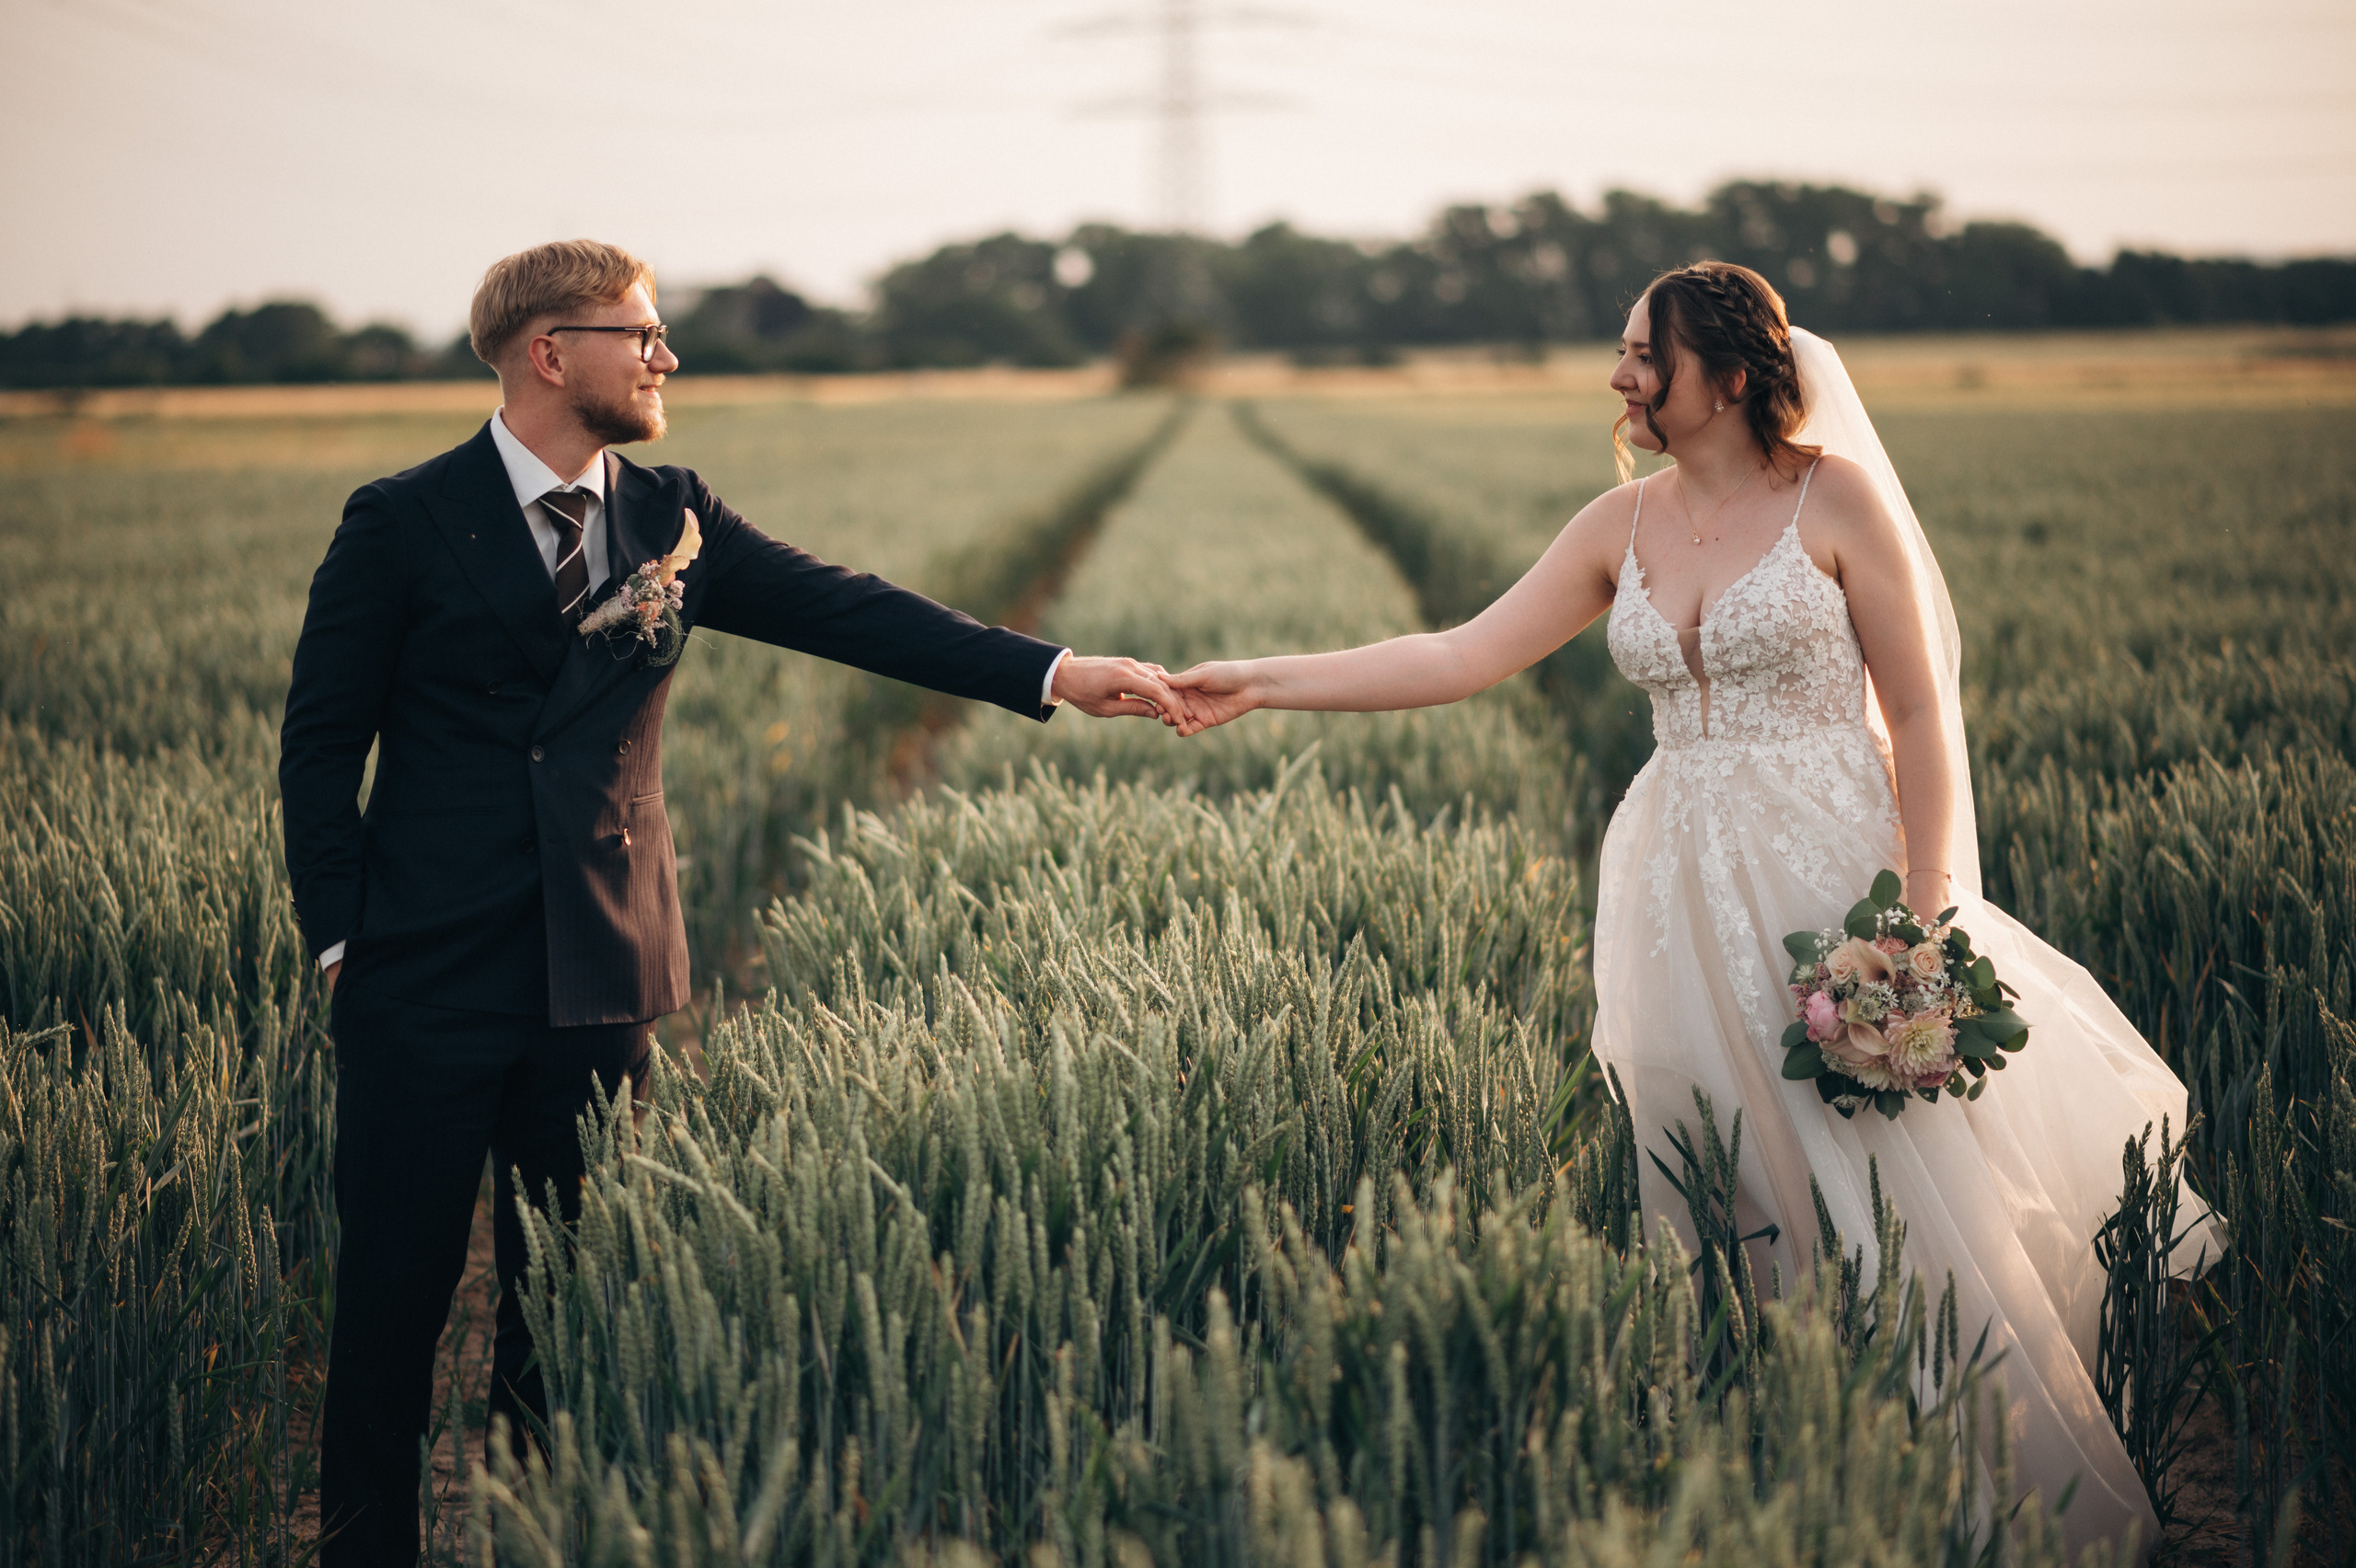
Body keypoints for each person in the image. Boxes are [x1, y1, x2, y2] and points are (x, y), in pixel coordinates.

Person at [1163, 260, 2214, 1557]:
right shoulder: (1620, 526)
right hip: (1674, 890)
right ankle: (1801, 1484)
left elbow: (1926, 712)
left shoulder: (1835, 499)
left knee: (1894, 1181)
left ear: (1727, 371)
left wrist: (1923, 925)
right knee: (1733, 1181)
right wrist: (1259, 682)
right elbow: (1460, 654)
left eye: (1642, 355)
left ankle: (1985, 1501)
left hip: (1839, 877)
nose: (1619, 377)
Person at [279, 238, 1181, 1566]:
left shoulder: (669, 515)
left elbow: (852, 611)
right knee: (389, 1318)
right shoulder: (402, 520)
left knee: (567, 1315)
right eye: (638, 334)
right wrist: (344, 944)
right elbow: (319, 744)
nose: (665, 357)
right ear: (548, 352)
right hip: (421, 980)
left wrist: (1053, 670)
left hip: (603, 973)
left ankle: (534, 1543)